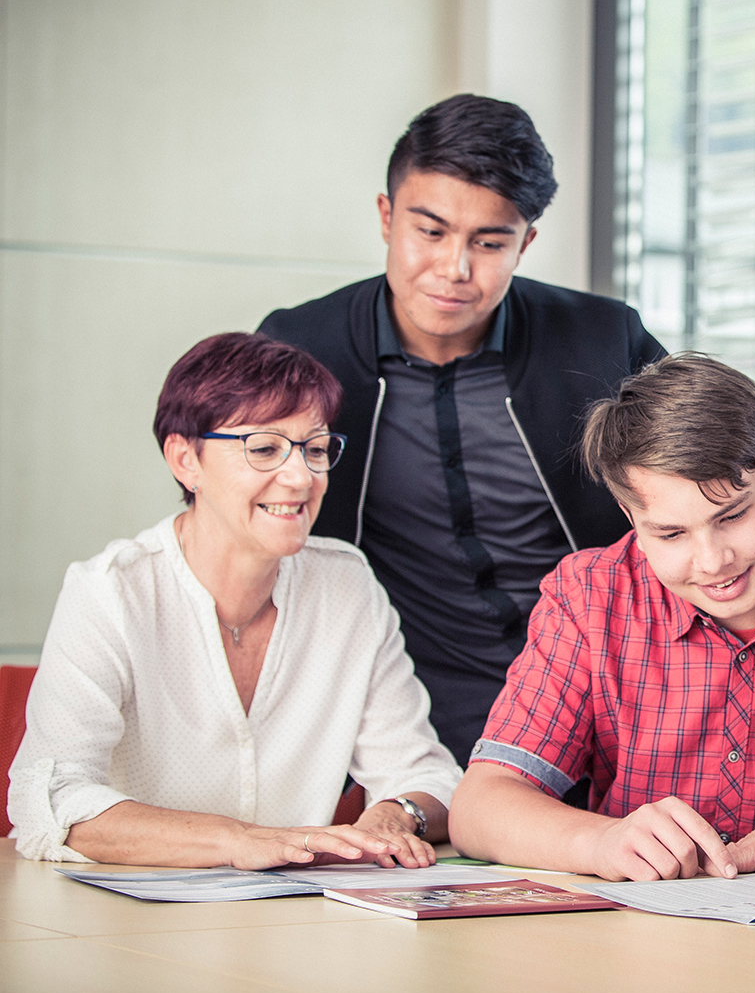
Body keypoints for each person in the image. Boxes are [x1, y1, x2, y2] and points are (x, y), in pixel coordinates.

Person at [259, 94, 667, 766]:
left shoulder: (602, 340)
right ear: (387, 216)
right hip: (406, 718)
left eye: (489, 242)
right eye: (431, 231)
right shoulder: (301, 349)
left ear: (525, 243)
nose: (454, 269)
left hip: (608, 694)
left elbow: (709, 473)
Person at [9, 333, 461, 868]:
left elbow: (426, 772)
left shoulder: (347, 585)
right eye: (264, 449)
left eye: (316, 450)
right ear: (185, 460)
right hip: (127, 910)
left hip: (296, 908)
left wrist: (393, 815)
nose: (301, 476)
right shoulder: (110, 591)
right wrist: (238, 840)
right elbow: (51, 798)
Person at [449, 354, 755, 880]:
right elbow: (479, 806)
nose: (713, 562)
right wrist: (601, 842)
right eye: (671, 534)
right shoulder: (591, 597)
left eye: (732, 516)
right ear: (630, 515)